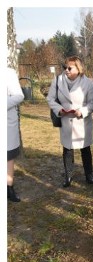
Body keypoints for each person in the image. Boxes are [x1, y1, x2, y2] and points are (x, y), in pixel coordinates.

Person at [47, 56, 93, 188]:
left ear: (78, 69)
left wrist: (83, 111)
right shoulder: (57, 80)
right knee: (67, 149)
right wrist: (59, 110)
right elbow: (50, 99)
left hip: (82, 121)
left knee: (85, 149)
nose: (66, 70)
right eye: (65, 67)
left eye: (70, 68)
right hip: (66, 120)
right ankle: (68, 176)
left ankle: (89, 174)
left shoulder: (88, 83)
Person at [7, 67, 24, 202]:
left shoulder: (8, 73)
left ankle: (9, 188)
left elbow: (19, 95)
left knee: (8, 157)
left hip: (6, 122)